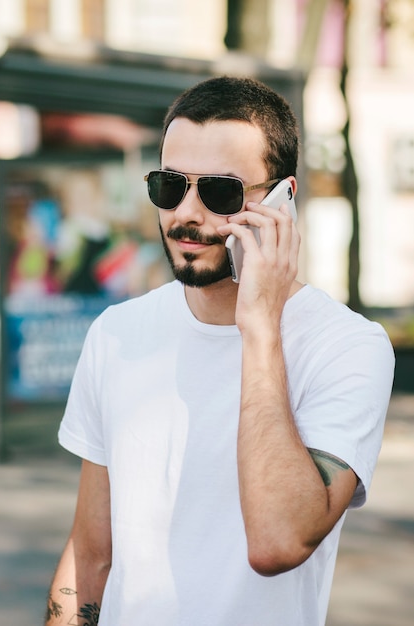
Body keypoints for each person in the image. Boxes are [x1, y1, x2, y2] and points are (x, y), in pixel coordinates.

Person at [45, 76, 395, 626]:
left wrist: (258, 326)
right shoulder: (116, 332)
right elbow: (91, 555)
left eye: (220, 191)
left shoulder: (347, 347)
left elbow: (278, 541)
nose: (187, 214)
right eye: (168, 185)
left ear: (283, 200)